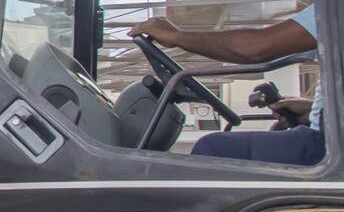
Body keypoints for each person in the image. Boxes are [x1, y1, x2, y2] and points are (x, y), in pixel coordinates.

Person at [128, 9, 322, 164]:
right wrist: (313, 109)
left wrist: (177, 36)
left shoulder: (338, 5)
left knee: (213, 148)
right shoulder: (343, 11)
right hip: (335, 137)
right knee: (276, 131)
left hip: (333, 147)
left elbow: (256, 47)